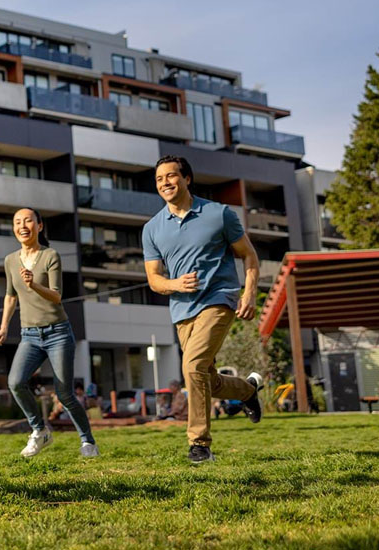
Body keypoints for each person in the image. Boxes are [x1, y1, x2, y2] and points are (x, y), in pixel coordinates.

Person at [144, 155, 264, 464]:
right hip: (182, 310)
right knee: (204, 378)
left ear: (186, 179)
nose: (164, 183)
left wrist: (249, 294)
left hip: (219, 299)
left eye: (171, 176)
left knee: (193, 367)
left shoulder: (219, 214)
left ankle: (200, 444)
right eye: (159, 179)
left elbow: (248, 256)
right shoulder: (153, 228)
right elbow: (155, 280)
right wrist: (176, 285)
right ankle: (248, 392)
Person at [0, 207, 99, 459]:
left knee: (64, 393)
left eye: (28, 220)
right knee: (15, 382)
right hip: (29, 335)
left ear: (39, 226)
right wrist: (4, 326)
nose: (22, 225)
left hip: (58, 333)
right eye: (17, 221)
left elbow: (56, 296)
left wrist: (33, 284)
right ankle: (40, 430)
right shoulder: (10, 260)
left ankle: (87, 441)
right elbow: (10, 296)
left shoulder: (50, 255)